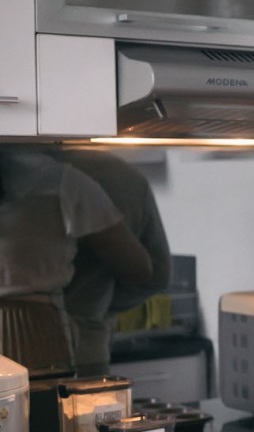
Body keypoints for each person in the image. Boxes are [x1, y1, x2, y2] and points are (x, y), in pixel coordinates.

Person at [0, 149, 154, 374]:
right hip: (37, 331)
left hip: (44, 332)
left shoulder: (60, 180)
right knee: (46, 395)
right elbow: (140, 270)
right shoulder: (60, 181)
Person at [56, 149, 171, 375]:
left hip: (16, 345)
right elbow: (155, 276)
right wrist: (94, 306)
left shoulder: (19, 171)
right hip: (85, 342)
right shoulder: (115, 175)